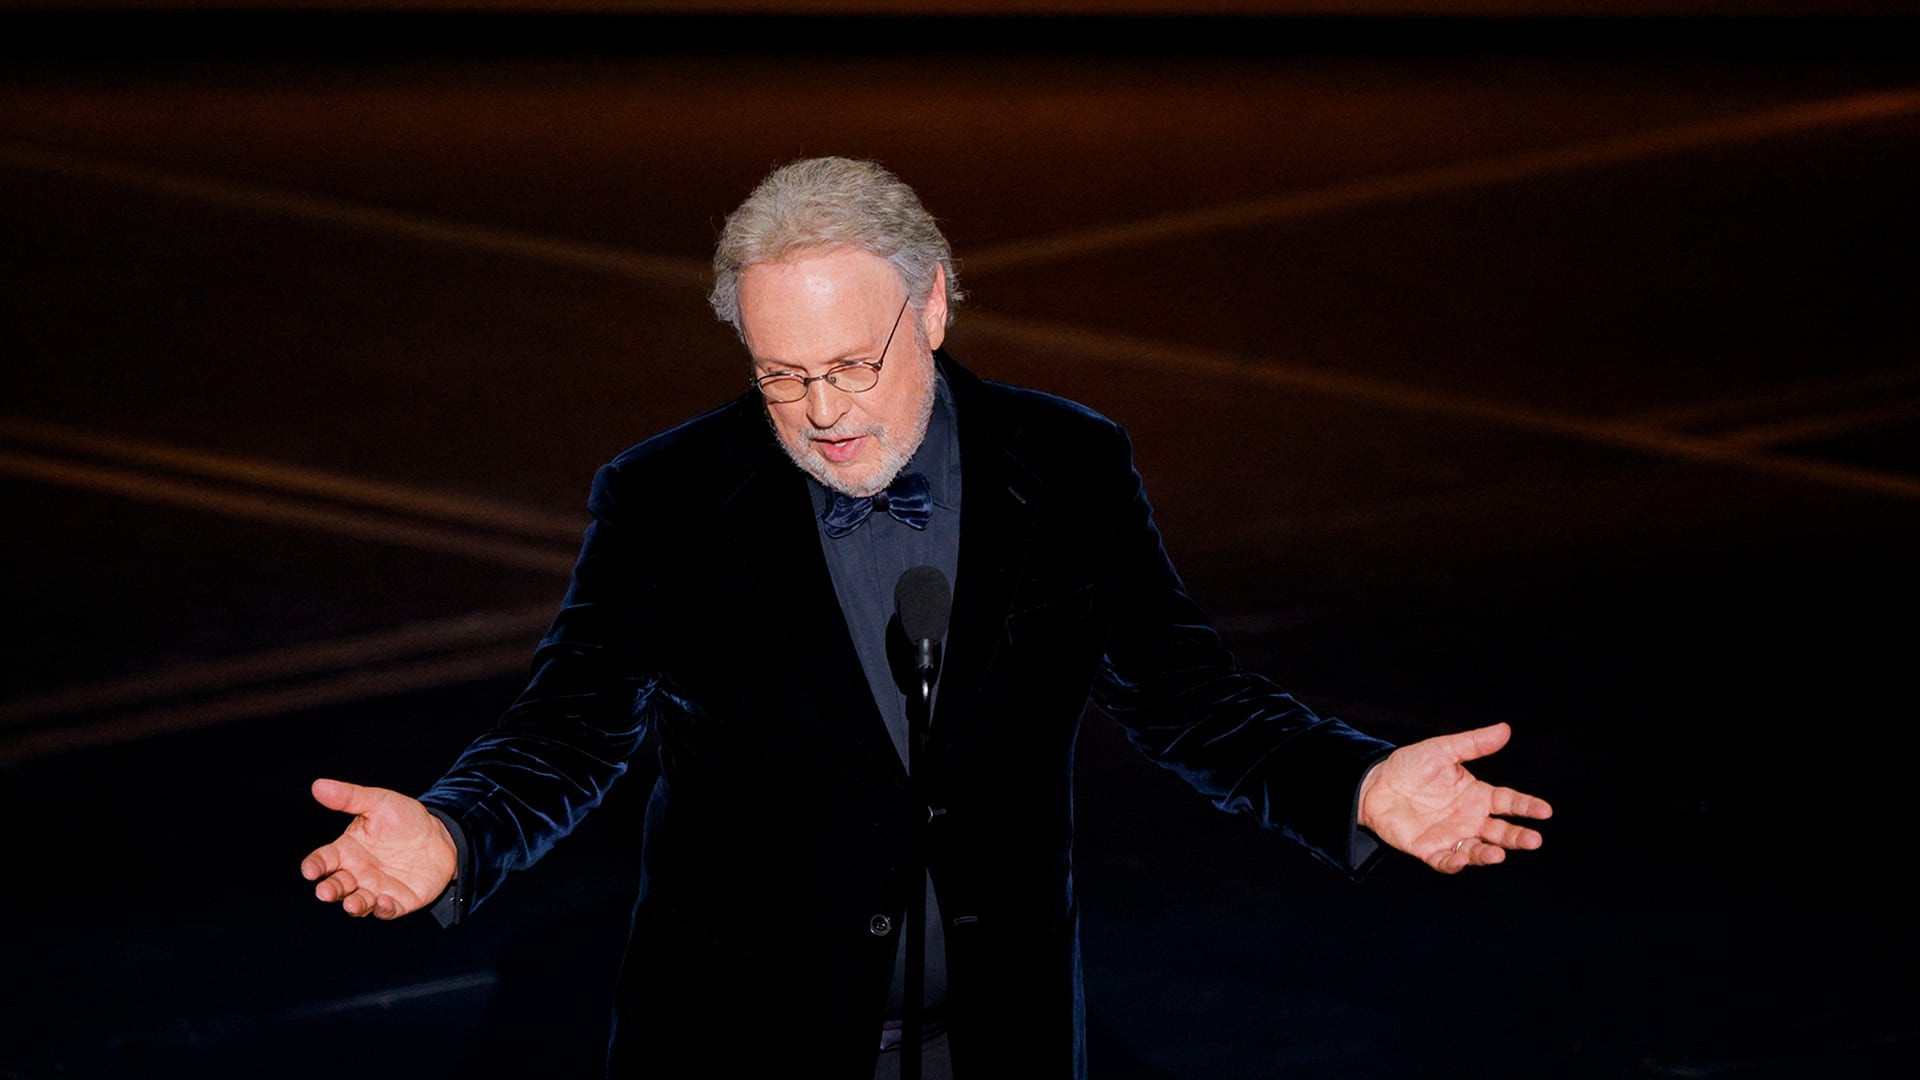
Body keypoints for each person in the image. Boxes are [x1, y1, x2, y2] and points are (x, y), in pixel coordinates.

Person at [300, 156, 1552, 1079]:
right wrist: (459, 835)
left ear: (938, 305)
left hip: (996, 1042)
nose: (824, 409)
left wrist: (1356, 787)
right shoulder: (668, 496)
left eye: (853, 366)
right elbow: (568, 729)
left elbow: (1193, 700)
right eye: (782, 377)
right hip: (742, 1047)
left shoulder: (1070, 466)